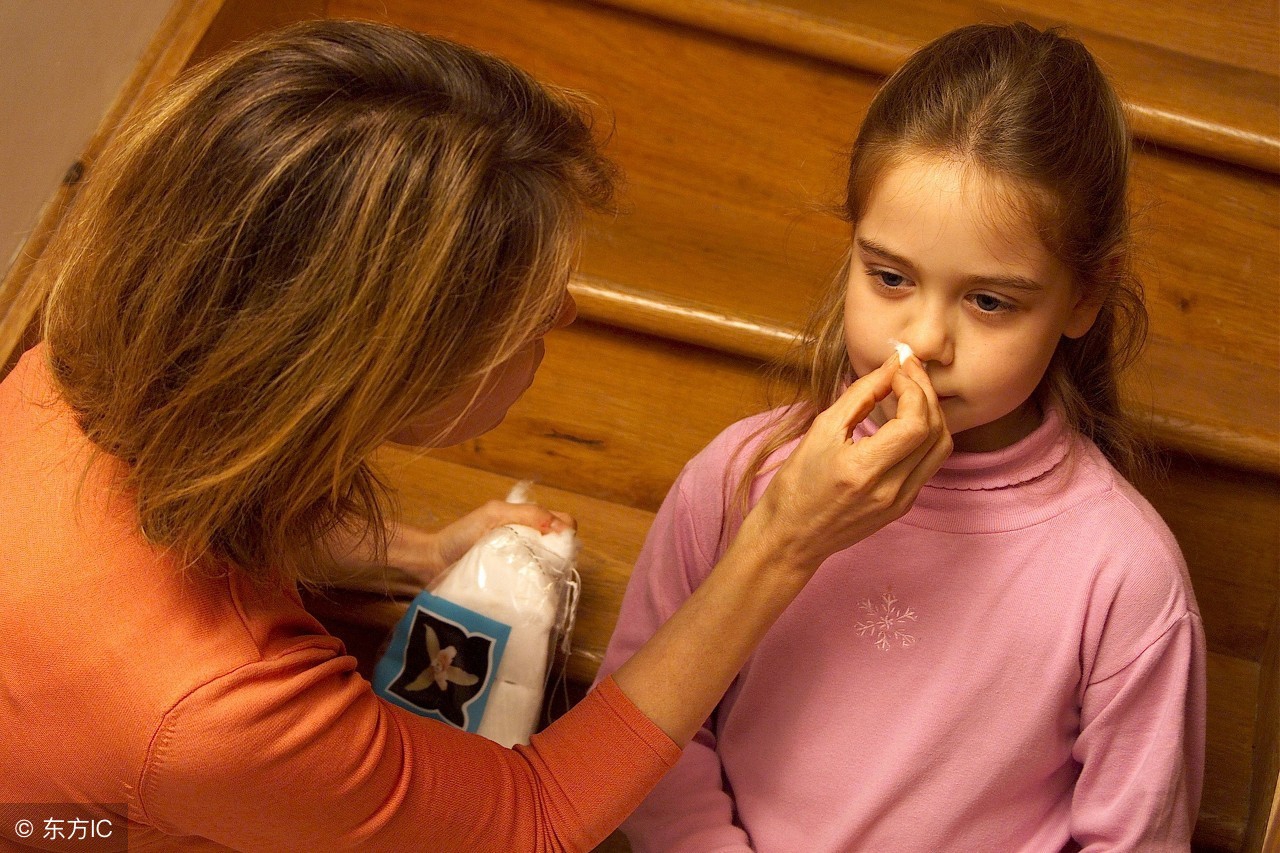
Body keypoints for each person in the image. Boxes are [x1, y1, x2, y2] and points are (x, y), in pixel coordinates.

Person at [0, 20, 951, 852]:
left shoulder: (68, 371)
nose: (568, 312)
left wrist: (414, 553)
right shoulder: (214, 709)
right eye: (532, 316)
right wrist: (783, 538)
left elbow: (215, 511)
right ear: (382, 359)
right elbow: (532, 819)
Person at [598, 22, 1206, 852]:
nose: (922, 342)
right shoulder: (738, 478)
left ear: (1084, 299)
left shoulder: (1125, 572)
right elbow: (642, 738)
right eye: (889, 278)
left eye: (990, 301)